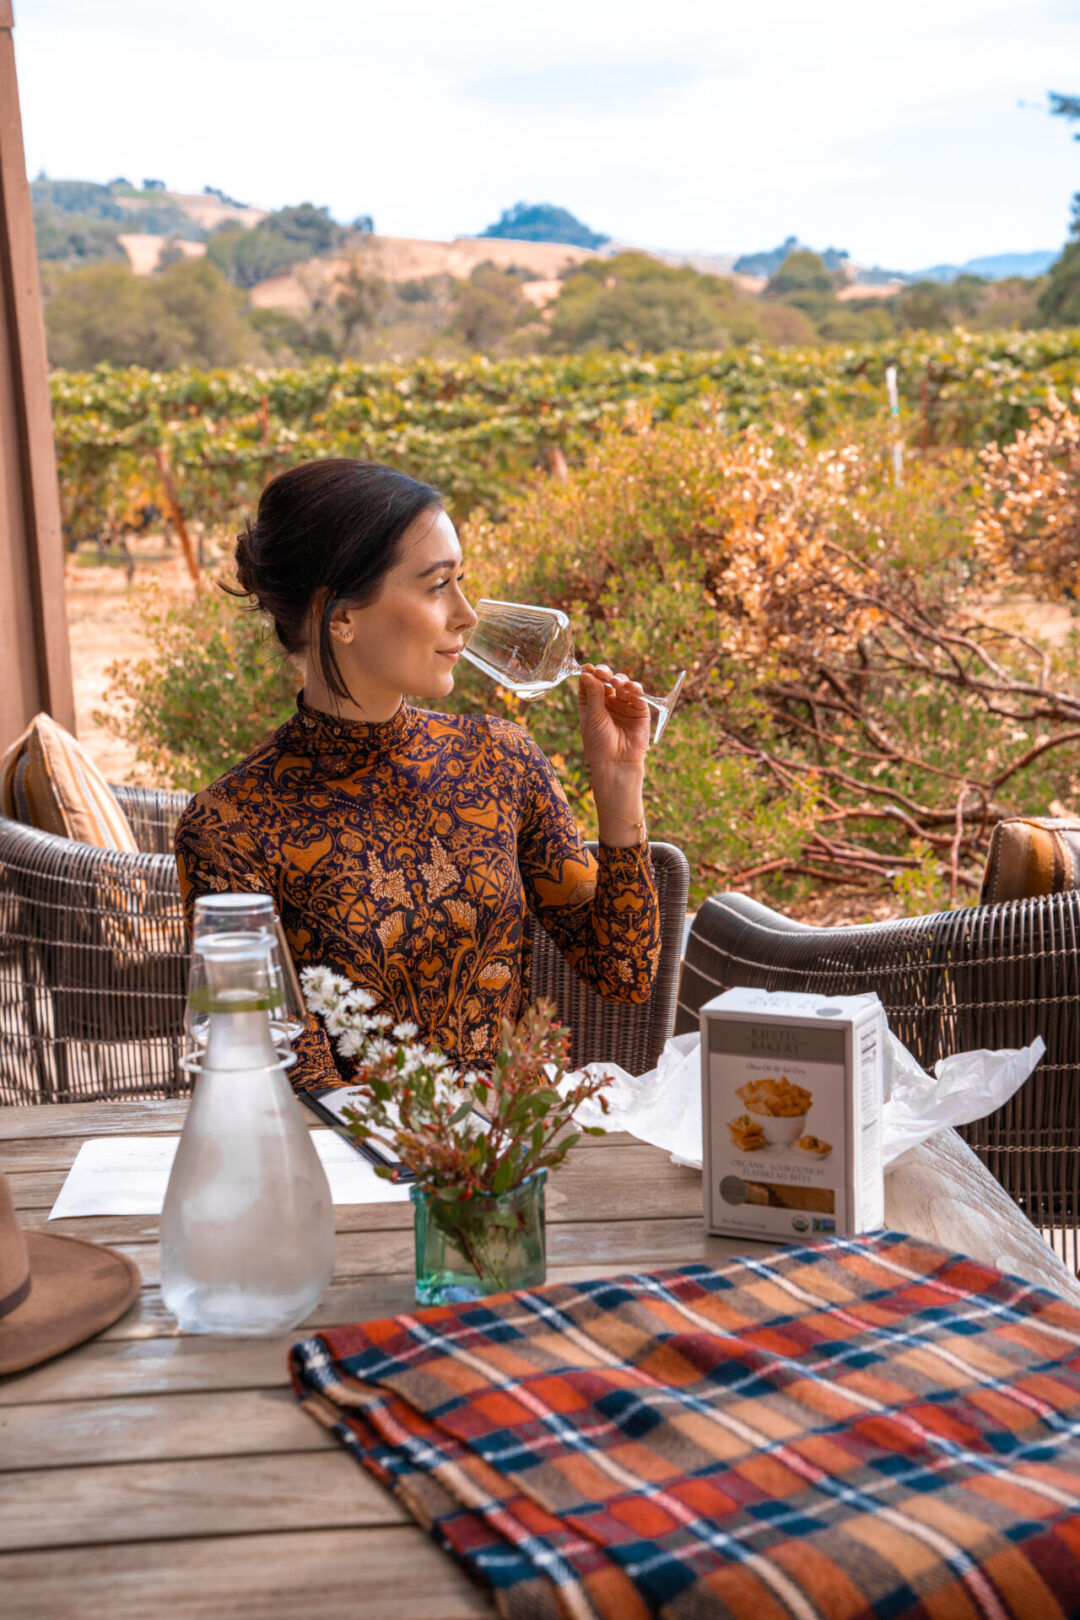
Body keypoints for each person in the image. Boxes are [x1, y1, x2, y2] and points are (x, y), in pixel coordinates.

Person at [174, 459, 661, 1093]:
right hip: (363, 1168)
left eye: (462, 581)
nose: (466, 614)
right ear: (339, 615)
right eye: (437, 586)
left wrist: (620, 783)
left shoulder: (502, 760)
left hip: (515, 1154)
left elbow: (624, 972)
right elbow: (287, 1077)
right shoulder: (230, 827)